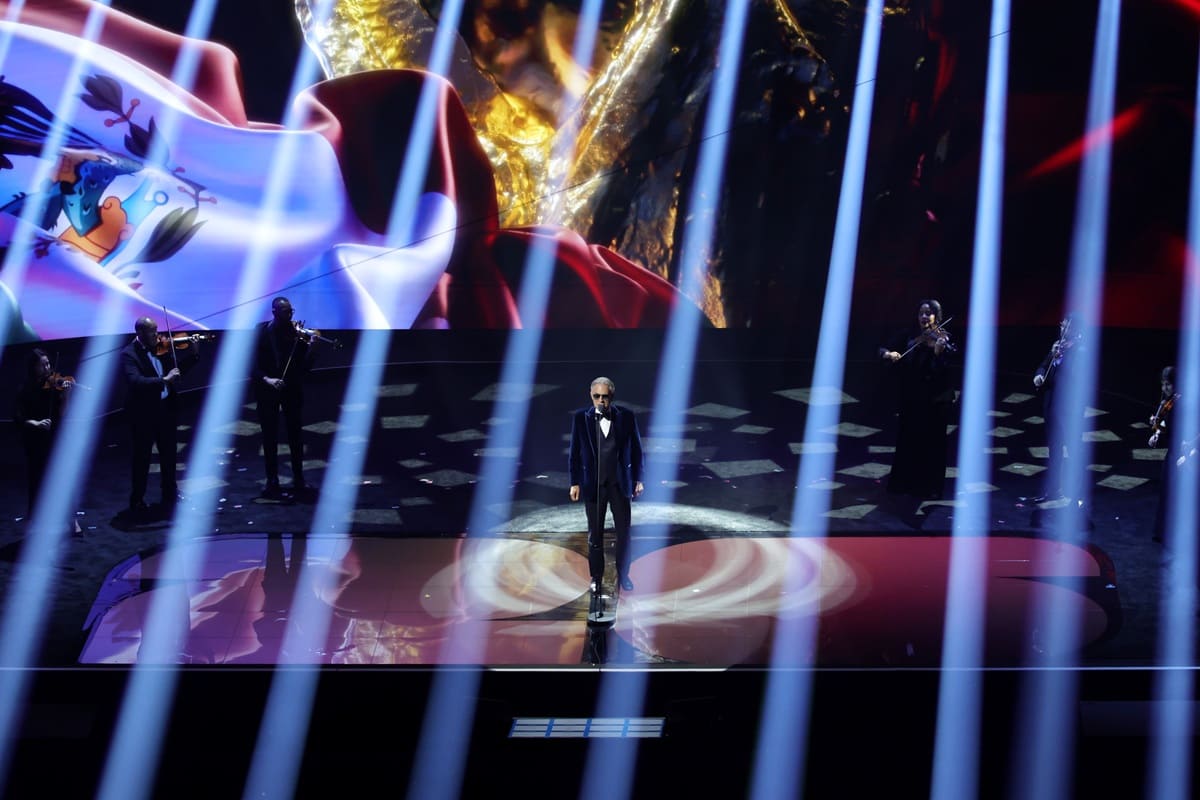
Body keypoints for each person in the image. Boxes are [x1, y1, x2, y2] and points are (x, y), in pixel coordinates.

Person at [568, 377, 644, 593]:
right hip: (594, 485)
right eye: (597, 396)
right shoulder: (581, 418)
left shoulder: (626, 416)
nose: (601, 401)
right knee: (595, 535)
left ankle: (624, 574)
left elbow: (637, 449)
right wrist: (574, 482)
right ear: (591, 396)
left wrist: (638, 479)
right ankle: (596, 577)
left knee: (624, 533)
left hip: (620, 484)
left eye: (605, 396)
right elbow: (574, 452)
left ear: (612, 396)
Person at [120, 316, 200, 519]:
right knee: (142, 458)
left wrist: (194, 354)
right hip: (143, 414)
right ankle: (137, 500)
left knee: (169, 455)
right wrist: (164, 379)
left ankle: (170, 494)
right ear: (140, 333)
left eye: (156, 330)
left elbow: (177, 373)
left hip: (166, 410)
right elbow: (136, 381)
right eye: (152, 332)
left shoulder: (162, 349)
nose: (157, 335)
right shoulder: (129, 354)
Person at [878, 299, 957, 500]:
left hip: (936, 402)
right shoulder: (909, 335)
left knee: (932, 445)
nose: (924, 317)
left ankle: (930, 487)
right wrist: (889, 354)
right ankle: (904, 484)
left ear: (937, 316)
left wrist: (938, 351)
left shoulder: (943, 337)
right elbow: (882, 349)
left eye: (928, 313)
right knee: (908, 441)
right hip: (913, 398)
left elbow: (945, 367)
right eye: (921, 313)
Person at [252, 297, 319, 500]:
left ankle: (299, 478)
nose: (289, 315)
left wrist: (312, 349)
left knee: (295, 435)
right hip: (267, 390)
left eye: (291, 311)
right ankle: (272, 481)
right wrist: (267, 379)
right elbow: (251, 364)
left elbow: (305, 368)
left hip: (291, 389)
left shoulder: (297, 335)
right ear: (274, 312)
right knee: (269, 437)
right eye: (285, 312)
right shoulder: (260, 331)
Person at [1032, 313, 1084, 502]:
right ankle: (1053, 490)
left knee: (1072, 450)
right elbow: (1043, 366)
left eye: (1066, 326)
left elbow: (1074, 378)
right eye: (1062, 325)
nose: (1062, 328)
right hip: (1052, 406)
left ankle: (1076, 492)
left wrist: (1059, 359)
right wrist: (1038, 375)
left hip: (1068, 410)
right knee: (1054, 451)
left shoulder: (1080, 351)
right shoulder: (1058, 346)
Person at [14, 348, 71, 518]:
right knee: (37, 480)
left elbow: (62, 414)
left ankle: (70, 519)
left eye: (48, 364)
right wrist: (36, 423)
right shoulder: (25, 389)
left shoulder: (54, 386)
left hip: (54, 438)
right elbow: (18, 417)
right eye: (43, 365)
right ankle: (36, 518)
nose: (48, 368)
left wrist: (66, 395)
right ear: (33, 367)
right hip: (35, 441)